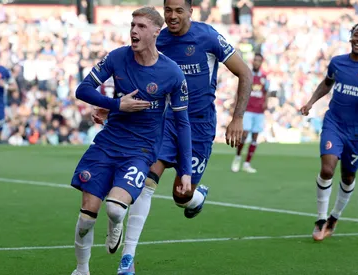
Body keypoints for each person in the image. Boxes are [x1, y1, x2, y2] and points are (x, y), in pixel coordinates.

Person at [110, 0, 252, 273]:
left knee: (181, 196)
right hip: (164, 122)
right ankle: (127, 259)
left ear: (190, 12)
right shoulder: (157, 39)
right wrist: (113, 108)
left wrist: (237, 118)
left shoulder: (208, 37)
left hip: (198, 126)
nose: (173, 16)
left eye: (178, 10)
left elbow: (244, 72)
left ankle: (196, 198)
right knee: (146, 181)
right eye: (168, 10)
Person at [69, 6, 193, 275]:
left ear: (156, 33)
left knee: (114, 209)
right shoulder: (116, 57)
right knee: (86, 216)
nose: (134, 31)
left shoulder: (172, 73)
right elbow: (83, 89)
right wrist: (115, 105)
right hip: (107, 144)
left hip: (141, 150)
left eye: (141, 27)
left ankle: (116, 224)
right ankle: (81, 270)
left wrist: (185, 171)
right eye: (132, 25)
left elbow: (182, 123)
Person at [299, 23, 358, 242]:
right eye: (356, 34)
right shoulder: (337, 62)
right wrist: (311, 102)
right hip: (334, 123)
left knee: (348, 176)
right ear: (350, 37)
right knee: (327, 168)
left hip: (357, 132)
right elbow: (327, 83)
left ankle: (335, 216)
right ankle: (321, 219)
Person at [231, 53, 268, 173]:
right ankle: (237, 157)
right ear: (253, 62)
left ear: (261, 62)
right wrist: (235, 103)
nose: (256, 62)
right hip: (248, 109)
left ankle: (247, 163)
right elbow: (239, 90)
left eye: (259, 61)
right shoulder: (247, 74)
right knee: (244, 134)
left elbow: (266, 91)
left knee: (255, 137)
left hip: (259, 111)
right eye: (255, 60)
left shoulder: (264, 77)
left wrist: (266, 102)